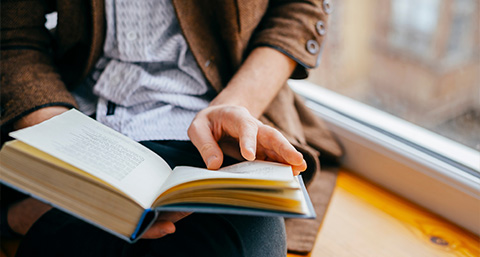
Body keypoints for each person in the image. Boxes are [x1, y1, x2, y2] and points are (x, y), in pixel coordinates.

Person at [1, 0, 341, 256]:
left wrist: (234, 105)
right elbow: (13, 32)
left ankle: (30, 215)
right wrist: (68, 153)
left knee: (248, 238)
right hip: (75, 111)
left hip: (215, 116)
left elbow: (299, 8)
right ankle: (30, 213)